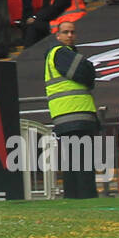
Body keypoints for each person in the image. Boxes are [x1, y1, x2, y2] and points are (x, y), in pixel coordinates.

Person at [43, 20, 100, 199]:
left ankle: (73, 198)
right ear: (57, 35)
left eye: (72, 32)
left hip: (65, 116)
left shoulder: (57, 55)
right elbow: (87, 70)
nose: (70, 35)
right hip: (75, 115)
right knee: (83, 163)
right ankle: (86, 198)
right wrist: (90, 71)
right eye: (66, 32)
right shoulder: (59, 52)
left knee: (73, 164)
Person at [22, 0, 86, 46]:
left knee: (34, 25)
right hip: (73, 21)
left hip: (69, 23)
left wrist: (35, 18)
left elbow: (53, 11)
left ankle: (27, 51)